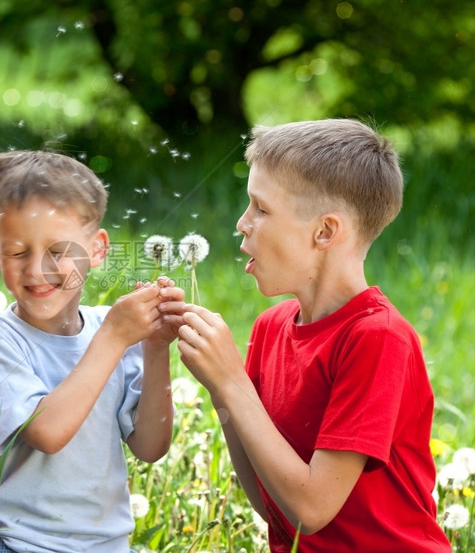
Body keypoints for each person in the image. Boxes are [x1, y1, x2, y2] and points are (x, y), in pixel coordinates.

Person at [163, 119, 451, 551]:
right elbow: (276, 506)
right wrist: (219, 390)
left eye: (260, 208)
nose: (242, 223)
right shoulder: (272, 327)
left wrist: (231, 381)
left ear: (325, 232)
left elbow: (311, 511)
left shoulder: (378, 338)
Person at [0, 150, 182, 553]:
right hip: (24, 545)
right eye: (18, 252)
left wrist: (154, 348)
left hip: (110, 545)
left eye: (58, 252)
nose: (37, 269)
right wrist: (114, 338)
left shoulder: (111, 333)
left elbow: (150, 447)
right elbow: (47, 432)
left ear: (96, 249)